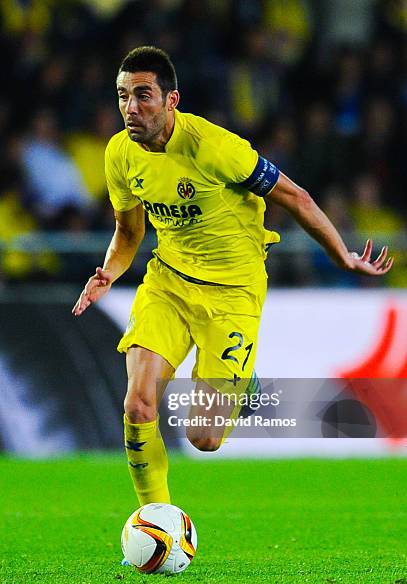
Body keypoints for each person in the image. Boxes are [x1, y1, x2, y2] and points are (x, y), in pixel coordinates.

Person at [72, 46, 393, 509]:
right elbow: (128, 232)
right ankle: (156, 519)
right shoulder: (120, 154)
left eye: (143, 95)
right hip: (169, 283)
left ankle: (246, 385)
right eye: (123, 96)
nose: (131, 108)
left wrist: (340, 254)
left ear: (171, 100)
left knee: (203, 437)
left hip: (233, 292)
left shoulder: (214, 149)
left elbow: (296, 197)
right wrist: (108, 272)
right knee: (138, 404)